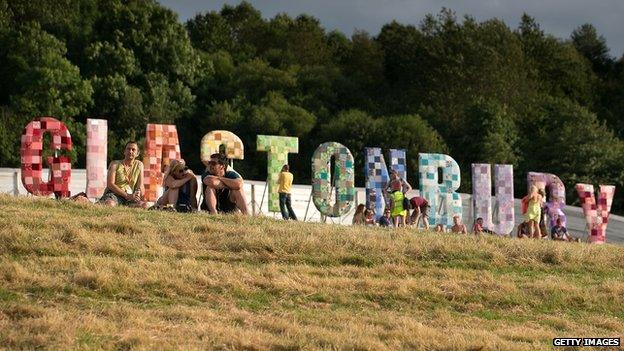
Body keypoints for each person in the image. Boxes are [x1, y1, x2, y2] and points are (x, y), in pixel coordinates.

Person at [99, 141, 147, 208]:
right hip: (115, 194)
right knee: (110, 204)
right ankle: (100, 202)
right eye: (128, 149)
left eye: (133, 150)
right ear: (124, 152)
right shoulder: (115, 164)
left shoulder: (139, 165)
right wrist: (127, 195)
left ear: (137, 154)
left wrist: (139, 196)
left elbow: (140, 186)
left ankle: (126, 206)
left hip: (131, 196)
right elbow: (110, 184)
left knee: (144, 206)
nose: (130, 151)